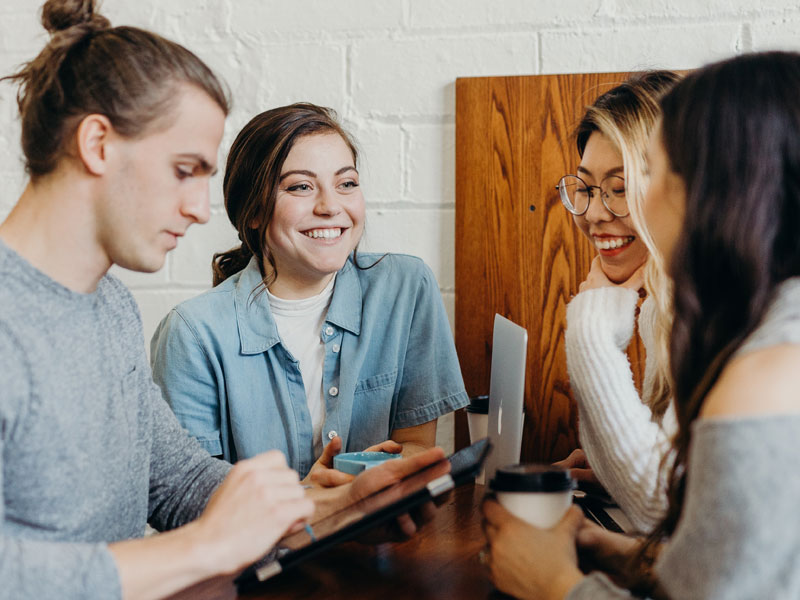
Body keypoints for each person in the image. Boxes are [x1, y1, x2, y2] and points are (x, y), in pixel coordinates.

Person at [0, 2, 444, 598]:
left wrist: (323, 510)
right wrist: (200, 551)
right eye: (185, 170)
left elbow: (177, 481)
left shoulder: (108, 305)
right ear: (98, 144)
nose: (200, 208)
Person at [483, 51, 800, 599]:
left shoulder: (767, 369)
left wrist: (555, 585)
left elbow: (668, 509)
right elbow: (730, 565)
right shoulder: (759, 322)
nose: (597, 211)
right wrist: (625, 554)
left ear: (716, 189)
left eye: (648, 174)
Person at [150, 103, 469, 485]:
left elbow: (416, 445)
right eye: (301, 186)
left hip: (381, 538)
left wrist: (375, 474)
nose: (330, 206)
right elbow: (192, 499)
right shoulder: (192, 334)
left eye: (346, 183)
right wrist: (312, 499)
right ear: (252, 211)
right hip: (264, 545)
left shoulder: (405, 288)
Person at [552, 71, 680, 532]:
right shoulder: (661, 306)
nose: (594, 213)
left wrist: (590, 330)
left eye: (620, 188)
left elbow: (660, 508)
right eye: (585, 188)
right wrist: (613, 470)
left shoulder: (724, 312)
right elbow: (674, 492)